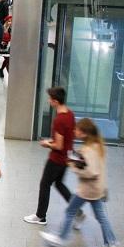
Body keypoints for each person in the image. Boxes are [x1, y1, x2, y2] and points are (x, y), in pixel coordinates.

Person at [40, 118, 118, 247]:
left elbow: (91, 172)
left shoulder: (89, 149)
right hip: (97, 189)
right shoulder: (97, 146)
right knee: (101, 216)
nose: (74, 131)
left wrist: (74, 167)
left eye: (77, 130)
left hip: (88, 189)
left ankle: (60, 238)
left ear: (84, 133)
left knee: (70, 210)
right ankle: (110, 243)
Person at [24, 87, 84, 225]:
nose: (49, 100)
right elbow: (68, 137)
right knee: (59, 184)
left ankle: (40, 216)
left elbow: (59, 145)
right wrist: (54, 141)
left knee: (45, 184)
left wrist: (47, 143)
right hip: (66, 158)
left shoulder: (59, 120)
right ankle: (78, 212)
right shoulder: (70, 114)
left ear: (56, 101)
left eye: (50, 99)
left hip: (56, 159)